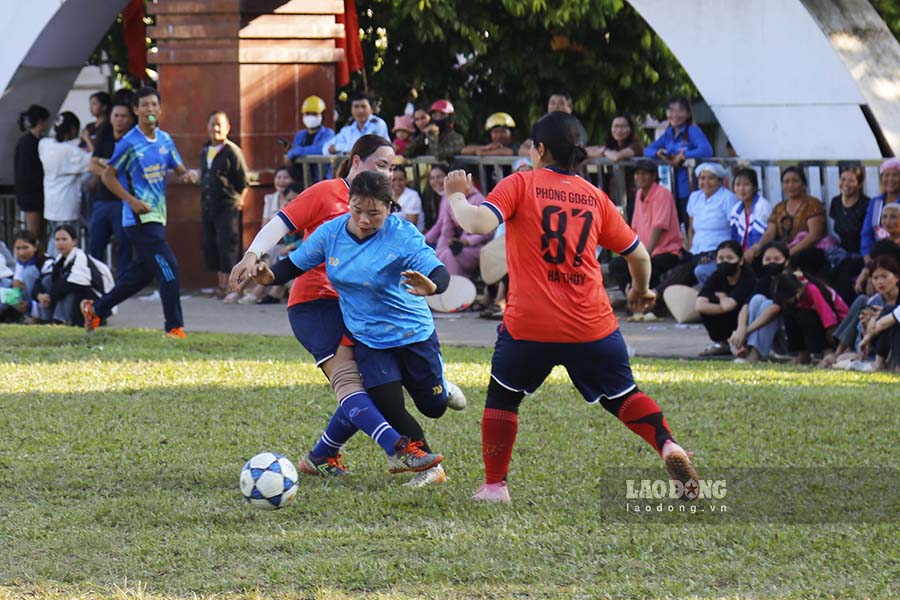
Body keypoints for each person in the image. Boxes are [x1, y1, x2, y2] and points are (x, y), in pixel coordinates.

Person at [445, 111, 698, 502]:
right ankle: (667, 444)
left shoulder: (521, 183)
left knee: (503, 397)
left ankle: (495, 486)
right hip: (591, 323)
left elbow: (478, 223)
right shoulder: (595, 197)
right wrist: (640, 291)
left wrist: (457, 195)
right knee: (623, 395)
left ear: (540, 149)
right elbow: (640, 255)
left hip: (530, 325)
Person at [230, 135, 462, 487]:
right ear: (356, 163)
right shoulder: (329, 203)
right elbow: (283, 233)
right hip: (319, 305)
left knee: (415, 400)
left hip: (370, 313)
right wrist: (255, 258)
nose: (387, 172)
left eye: (391, 168)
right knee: (359, 384)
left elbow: (435, 269)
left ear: (389, 207)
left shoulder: (398, 230)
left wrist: (432, 285)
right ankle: (405, 451)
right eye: (380, 164)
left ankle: (322, 455)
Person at [82, 87, 191, 338]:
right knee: (169, 268)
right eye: (144, 105)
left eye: (154, 105)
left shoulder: (165, 139)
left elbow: (179, 168)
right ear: (136, 110)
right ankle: (174, 328)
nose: (150, 110)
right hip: (139, 220)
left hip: (158, 216)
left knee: (140, 276)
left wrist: (188, 174)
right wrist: (131, 201)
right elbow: (108, 176)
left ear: (160, 109)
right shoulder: (129, 142)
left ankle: (96, 309)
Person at [186, 111, 249, 302]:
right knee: (212, 245)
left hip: (227, 205)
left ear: (228, 128)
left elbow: (244, 181)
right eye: (212, 124)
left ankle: (232, 287)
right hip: (208, 205)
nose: (216, 129)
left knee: (227, 245)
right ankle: (220, 285)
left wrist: (240, 200)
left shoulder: (232, 151)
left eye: (220, 125)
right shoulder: (205, 150)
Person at [608, 159, 682, 307]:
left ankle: (650, 304)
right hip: (644, 251)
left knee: (649, 267)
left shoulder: (663, 194)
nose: (640, 177)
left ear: (654, 176)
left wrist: (644, 255)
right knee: (616, 265)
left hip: (667, 250)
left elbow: (658, 227)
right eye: (637, 174)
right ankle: (633, 300)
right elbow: (634, 228)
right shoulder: (639, 194)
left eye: (644, 174)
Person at [643, 95, 713, 226]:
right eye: (671, 111)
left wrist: (685, 154)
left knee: (689, 227)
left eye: (680, 110)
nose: (675, 115)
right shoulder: (669, 133)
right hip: (670, 189)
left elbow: (706, 150)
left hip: (689, 189)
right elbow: (647, 150)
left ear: (687, 113)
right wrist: (658, 153)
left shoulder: (692, 130)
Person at [821, 255, 899, 369]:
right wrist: (865, 325)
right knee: (842, 359)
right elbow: (863, 340)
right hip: (875, 347)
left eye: (884, 276)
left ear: (897, 277)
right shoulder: (874, 300)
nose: (880, 282)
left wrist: (884, 316)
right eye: (875, 278)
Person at [88, 101, 136, 276]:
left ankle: (123, 283)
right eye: (116, 115)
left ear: (131, 119)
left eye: (124, 116)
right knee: (95, 245)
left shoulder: (134, 141)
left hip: (123, 202)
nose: (119, 120)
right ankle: (96, 281)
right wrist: (110, 174)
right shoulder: (104, 138)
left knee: (124, 245)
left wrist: (106, 166)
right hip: (102, 200)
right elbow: (91, 165)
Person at [238, 166, 298, 305]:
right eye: (279, 177)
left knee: (272, 255)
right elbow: (265, 227)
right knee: (257, 254)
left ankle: (259, 291)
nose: (281, 181)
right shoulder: (271, 199)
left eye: (285, 177)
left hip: (286, 244)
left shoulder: (296, 199)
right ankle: (239, 289)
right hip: (274, 241)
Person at [35, 225, 113, 326]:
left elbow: (73, 284)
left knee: (71, 289)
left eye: (64, 239)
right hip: (74, 297)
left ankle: (61, 321)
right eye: (57, 239)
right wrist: (39, 295)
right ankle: (46, 319)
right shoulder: (58, 260)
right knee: (47, 280)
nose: (60, 243)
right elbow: (42, 278)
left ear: (74, 241)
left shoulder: (81, 259)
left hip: (94, 301)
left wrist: (50, 296)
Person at [729, 240, 790, 363]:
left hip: (789, 339)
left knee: (768, 305)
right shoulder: (765, 280)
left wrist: (746, 332)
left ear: (786, 261)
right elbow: (746, 305)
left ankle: (754, 353)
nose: (772, 262)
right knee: (757, 300)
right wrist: (740, 329)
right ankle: (748, 348)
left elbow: (774, 309)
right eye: (767, 259)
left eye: (777, 259)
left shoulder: (790, 280)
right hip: (772, 338)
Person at [772, 270, 849, 365]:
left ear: (797, 290)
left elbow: (827, 314)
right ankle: (802, 354)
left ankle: (827, 352)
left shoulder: (812, 289)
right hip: (820, 322)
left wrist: (832, 336)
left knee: (806, 316)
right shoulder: (798, 296)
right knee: (789, 314)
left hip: (838, 327)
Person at [38, 111, 93, 243]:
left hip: (51, 204)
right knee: (65, 241)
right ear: (73, 129)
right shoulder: (71, 151)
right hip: (67, 206)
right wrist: (87, 140)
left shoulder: (44, 144)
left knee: (54, 237)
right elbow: (94, 160)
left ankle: (51, 263)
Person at [695, 240, 756, 356]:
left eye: (730, 258)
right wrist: (724, 306)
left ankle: (745, 343)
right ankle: (721, 343)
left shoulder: (747, 277)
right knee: (708, 307)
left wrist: (723, 298)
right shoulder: (716, 276)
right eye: (721, 258)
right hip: (729, 314)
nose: (725, 262)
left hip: (745, 319)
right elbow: (699, 305)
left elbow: (730, 305)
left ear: (741, 261)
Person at [753, 167, 826, 259]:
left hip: (807, 252)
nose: (790, 185)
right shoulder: (779, 207)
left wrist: (788, 254)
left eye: (795, 181)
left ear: (803, 184)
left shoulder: (812, 204)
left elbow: (814, 235)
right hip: (783, 252)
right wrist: (757, 247)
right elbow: (769, 234)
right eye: (786, 182)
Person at [425, 177, 491, 279]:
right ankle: (443, 290)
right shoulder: (450, 200)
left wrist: (465, 242)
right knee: (438, 255)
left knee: (448, 255)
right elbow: (446, 232)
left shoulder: (478, 199)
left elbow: (485, 232)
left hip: (478, 247)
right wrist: (439, 249)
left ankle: (454, 288)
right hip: (457, 245)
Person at [685, 162, 739, 285]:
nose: (706, 182)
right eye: (702, 178)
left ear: (720, 181)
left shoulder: (728, 198)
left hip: (717, 251)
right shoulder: (695, 197)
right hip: (697, 250)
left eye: (711, 178)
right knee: (681, 272)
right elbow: (691, 228)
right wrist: (689, 247)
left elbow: (735, 228)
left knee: (700, 271)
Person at [828, 166, 870, 304]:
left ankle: (845, 308)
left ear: (859, 184)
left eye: (851, 180)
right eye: (843, 179)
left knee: (841, 271)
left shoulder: (866, 204)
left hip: (860, 253)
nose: (845, 184)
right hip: (842, 250)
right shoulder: (835, 202)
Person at [14, 104, 51, 244]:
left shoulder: (33, 142)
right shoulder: (28, 144)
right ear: (41, 121)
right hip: (32, 195)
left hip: (35, 194)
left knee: (39, 233)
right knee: (34, 233)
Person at [0, 230, 47, 323]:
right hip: (23, 300)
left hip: (40, 301)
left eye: (25, 248)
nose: (21, 253)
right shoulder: (20, 264)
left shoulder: (46, 262)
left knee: (28, 273)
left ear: (35, 247)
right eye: (18, 248)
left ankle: (36, 316)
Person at [285, 95, 334, 182]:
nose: (310, 117)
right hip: (302, 180)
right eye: (307, 114)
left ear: (322, 115)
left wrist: (295, 152)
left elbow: (321, 149)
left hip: (322, 179)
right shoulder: (300, 135)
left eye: (314, 114)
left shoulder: (328, 133)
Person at [854, 204, 900, 295]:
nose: (887, 221)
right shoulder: (881, 244)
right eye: (884, 217)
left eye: (893, 217)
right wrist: (866, 273)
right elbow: (872, 262)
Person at [860, 158, 900, 258]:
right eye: (886, 175)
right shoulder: (875, 202)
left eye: (895, 175)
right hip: (877, 252)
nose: (890, 179)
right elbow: (866, 233)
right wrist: (867, 255)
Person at [729, 168, 772, 256]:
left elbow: (760, 236)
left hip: (759, 253)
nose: (741, 189)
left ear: (754, 187)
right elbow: (734, 236)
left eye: (746, 184)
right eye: (737, 185)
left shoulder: (762, 206)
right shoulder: (736, 208)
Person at [419, 163, 449, 232]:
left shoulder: (456, 197)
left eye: (439, 177)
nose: (436, 181)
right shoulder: (429, 197)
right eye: (432, 178)